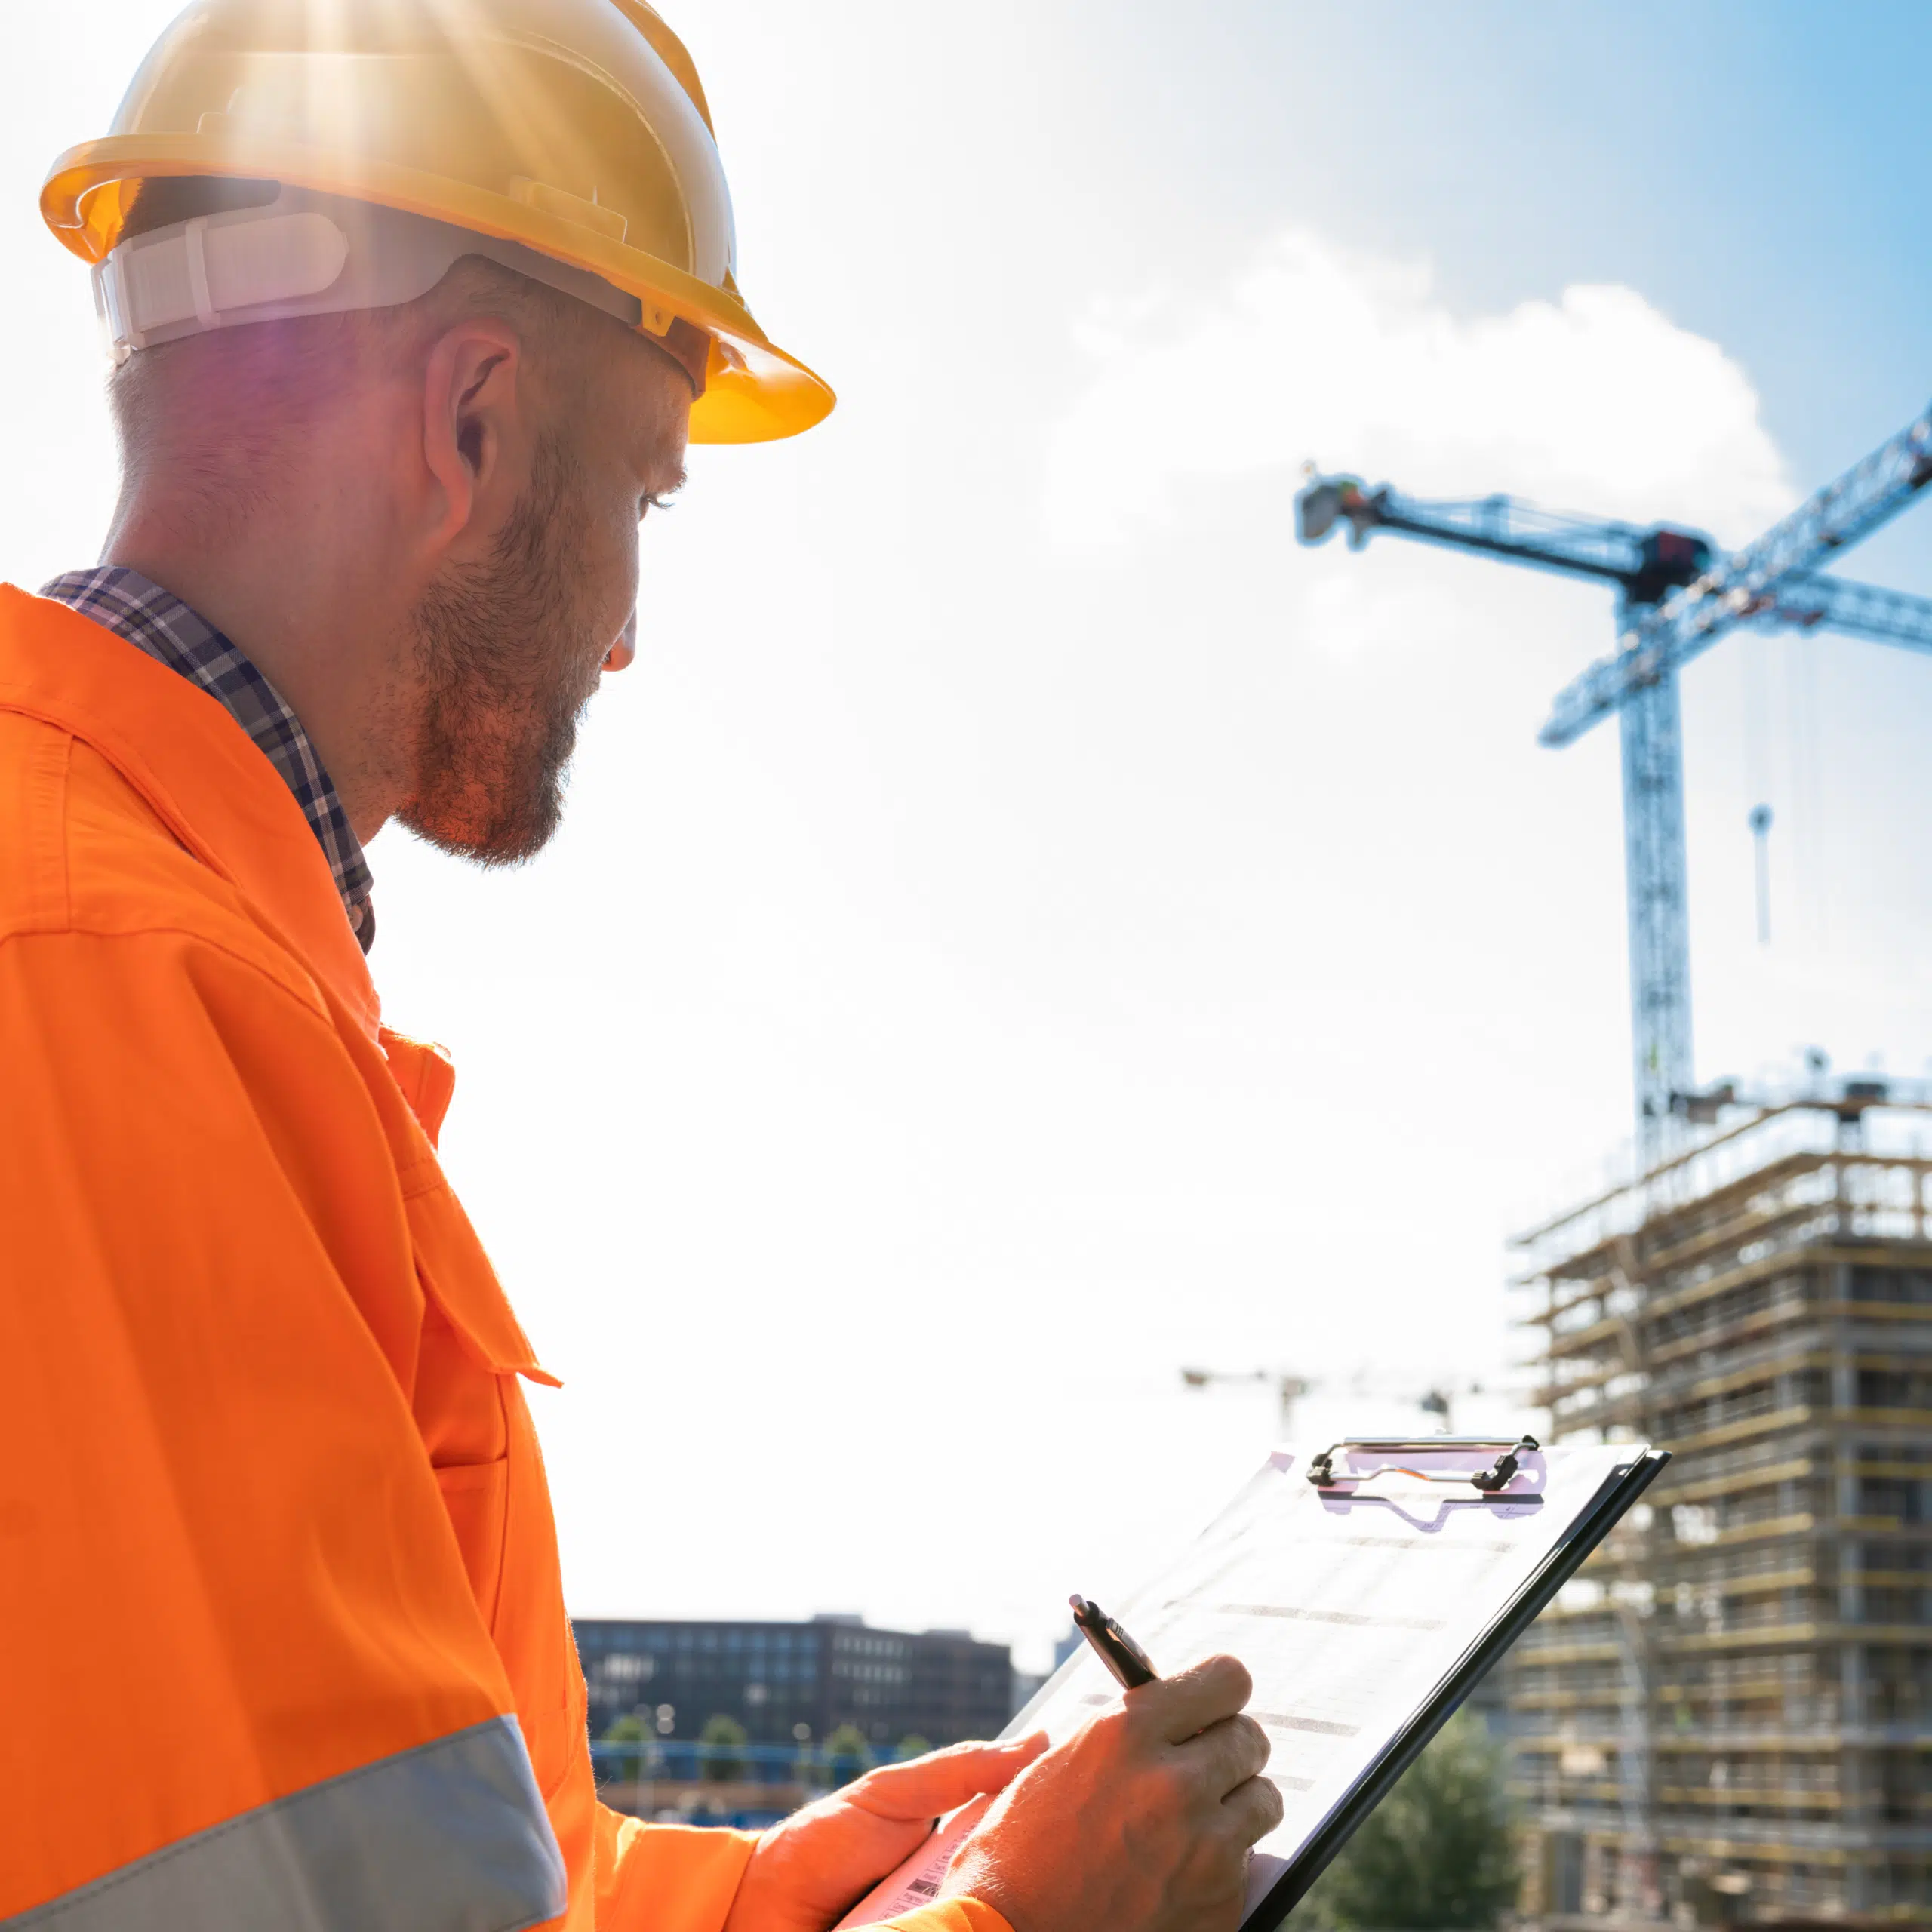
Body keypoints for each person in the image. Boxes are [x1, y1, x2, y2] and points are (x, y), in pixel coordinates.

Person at [0, 4, 1282, 1930]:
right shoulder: (107, 984)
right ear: (471, 424)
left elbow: (368, 1866)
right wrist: (1020, 1916)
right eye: (646, 496)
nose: (622, 636)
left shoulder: (136, 939)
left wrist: (752, 1894)